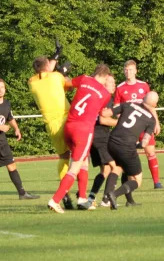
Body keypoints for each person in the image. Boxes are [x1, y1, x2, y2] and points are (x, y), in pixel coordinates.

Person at [47, 64, 113, 214]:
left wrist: (61, 73)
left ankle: (82, 198)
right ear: (105, 76)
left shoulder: (84, 79)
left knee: (83, 162)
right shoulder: (105, 93)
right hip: (84, 130)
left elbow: (67, 84)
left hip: (69, 126)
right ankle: (55, 200)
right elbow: (102, 113)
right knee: (75, 167)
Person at [28, 44, 76, 209]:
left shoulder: (32, 82)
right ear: (47, 67)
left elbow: (48, 74)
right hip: (67, 119)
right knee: (80, 157)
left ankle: (65, 194)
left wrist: (56, 60)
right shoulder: (56, 77)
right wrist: (64, 73)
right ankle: (84, 194)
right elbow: (69, 85)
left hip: (51, 125)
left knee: (64, 157)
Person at [104, 92, 159, 210]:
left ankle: (122, 200)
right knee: (137, 180)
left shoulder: (128, 104)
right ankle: (113, 195)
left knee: (118, 167)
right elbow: (145, 142)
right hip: (126, 146)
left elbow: (106, 113)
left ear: (143, 99)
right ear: (155, 105)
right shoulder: (151, 120)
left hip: (111, 141)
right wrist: (137, 145)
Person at [114, 60, 163, 189]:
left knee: (150, 152)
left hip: (144, 126)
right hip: (129, 128)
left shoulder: (144, 86)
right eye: (126, 70)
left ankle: (157, 182)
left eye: (130, 70)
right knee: (127, 155)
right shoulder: (120, 88)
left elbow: (151, 105)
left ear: (135, 71)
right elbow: (117, 109)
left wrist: (156, 122)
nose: (128, 72)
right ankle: (127, 183)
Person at [78, 75, 119, 210]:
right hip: (100, 137)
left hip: (94, 136)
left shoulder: (98, 96)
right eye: (111, 82)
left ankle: (90, 197)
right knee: (117, 167)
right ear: (104, 84)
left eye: (114, 82)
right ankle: (107, 199)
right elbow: (103, 120)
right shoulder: (105, 97)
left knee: (106, 169)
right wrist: (121, 123)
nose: (114, 85)